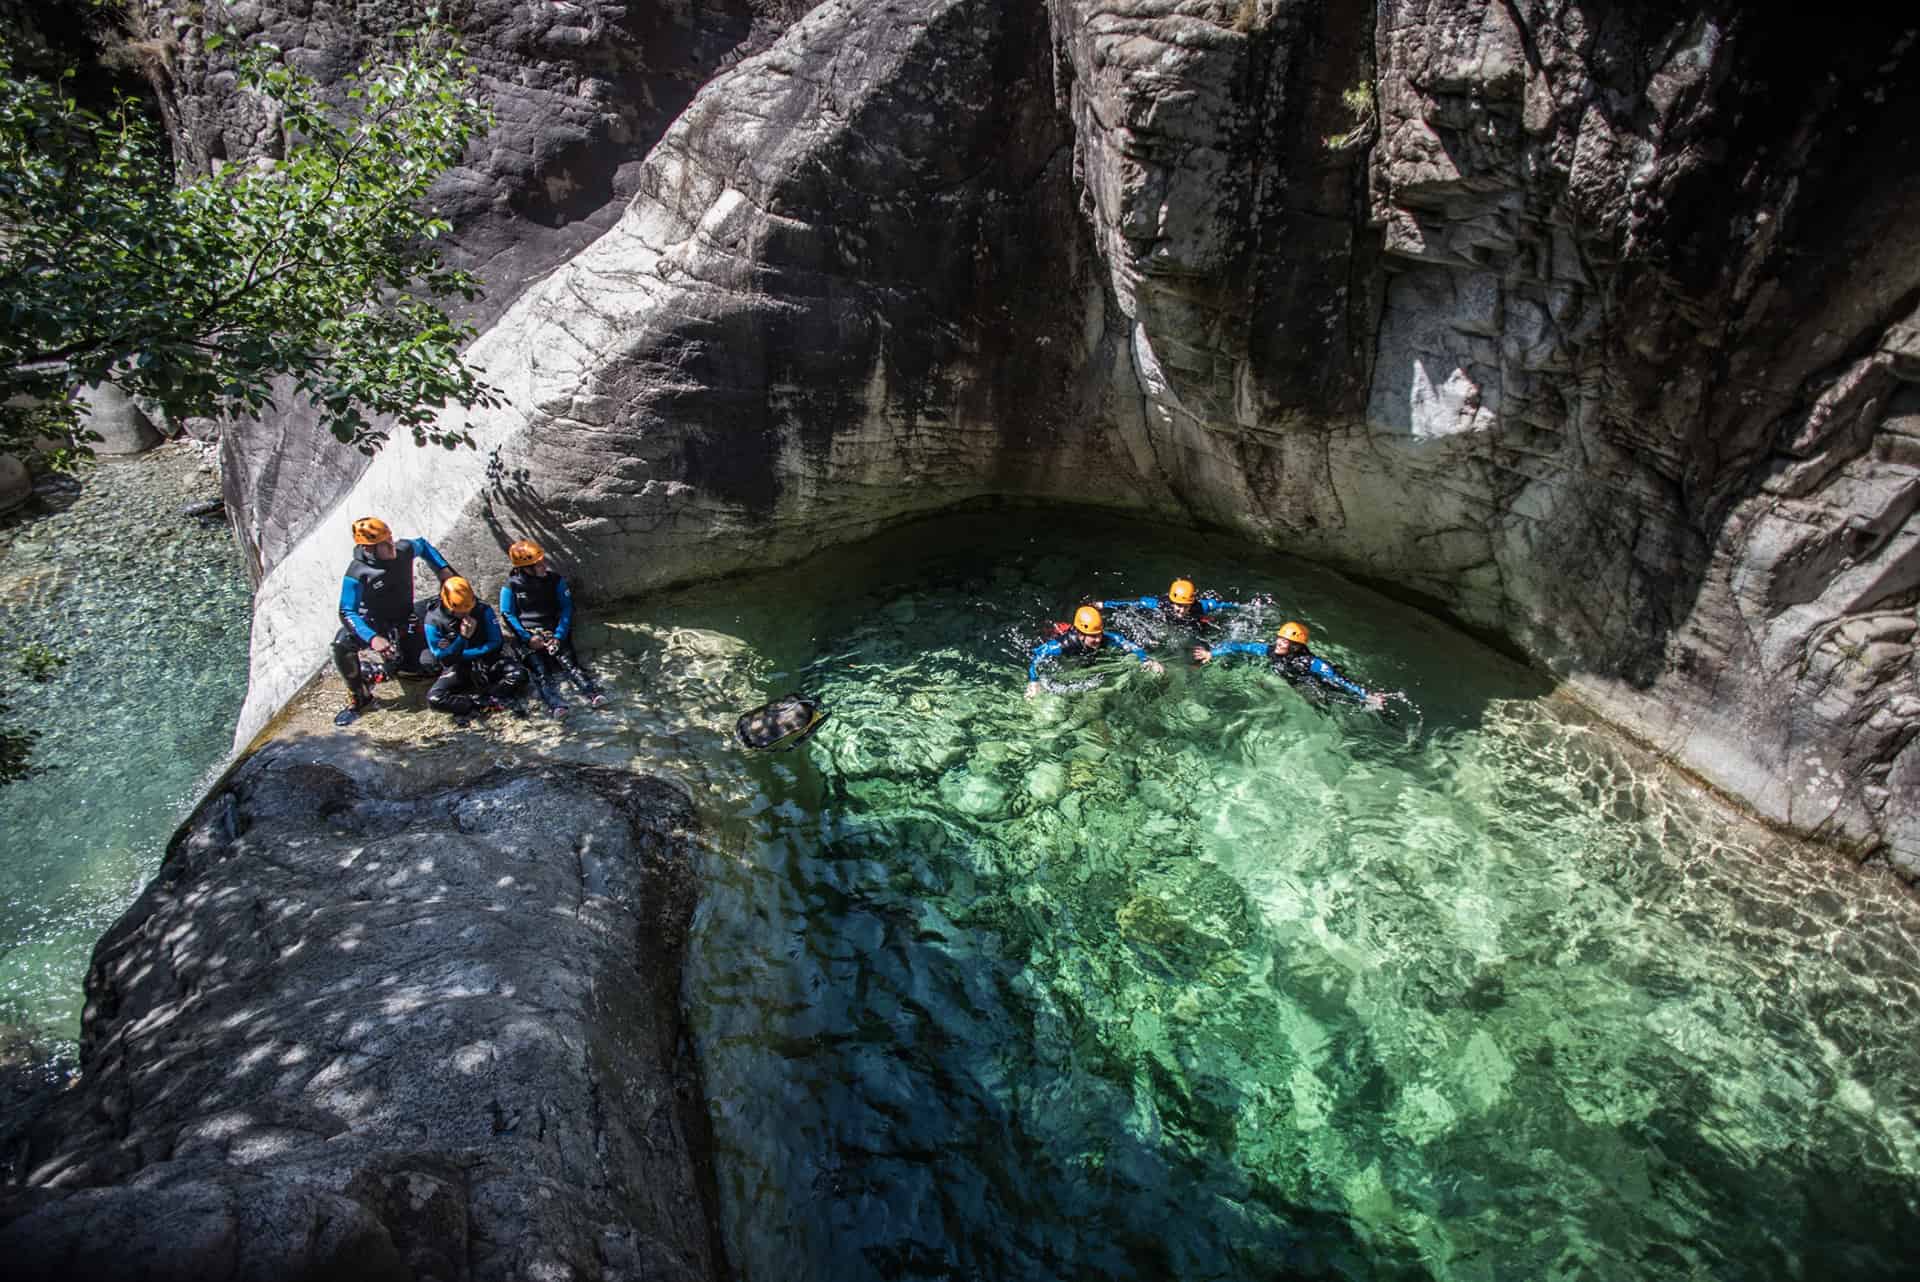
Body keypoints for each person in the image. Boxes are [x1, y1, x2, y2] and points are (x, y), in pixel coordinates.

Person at [332, 516, 460, 726]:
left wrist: (443, 570)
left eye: (390, 539)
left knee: (427, 668)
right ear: (369, 548)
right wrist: (373, 639)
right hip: (376, 623)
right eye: (385, 544)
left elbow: (423, 546)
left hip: (406, 617)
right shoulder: (358, 572)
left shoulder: (403, 550)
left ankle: (383, 669)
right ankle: (360, 696)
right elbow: (347, 611)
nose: (392, 546)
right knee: (341, 643)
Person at [498, 538, 608, 716]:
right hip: (529, 635)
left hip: (553, 631)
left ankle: (592, 693)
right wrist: (527, 638)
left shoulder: (555, 581)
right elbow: (507, 614)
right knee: (541, 673)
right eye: (538, 564)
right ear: (525, 568)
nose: (544, 565)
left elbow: (567, 607)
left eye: (542, 561)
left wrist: (559, 636)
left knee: (570, 664)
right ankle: (556, 705)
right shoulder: (511, 586)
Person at [1193, 620, 1387, 710]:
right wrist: (1212, 653)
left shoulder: (1311, 662)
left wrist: (1366, 694)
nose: (1279, 644)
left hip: (1313, 681)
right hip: (1295, 681)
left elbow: (1339, 680)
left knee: (1325, 702)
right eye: (1279, 639)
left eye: (1285, 642)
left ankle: (1375, 704)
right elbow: (1238, 646)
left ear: (1296, 646)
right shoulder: (1269, 650)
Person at [423, 576, 529, 719]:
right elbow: (444, 658)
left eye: (468, 609)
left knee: (519, 675)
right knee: (434, 699)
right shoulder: (433, 620)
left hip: (487, 658)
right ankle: (476, 702)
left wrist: (471, 654)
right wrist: (463, 638)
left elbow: (496, 641)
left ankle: (492, 696)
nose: (465, 614)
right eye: (460, 611)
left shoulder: (482, 609)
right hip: (458, 665)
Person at [1026, 605, 1164, 698]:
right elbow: (1037, 656)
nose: (1098, 639)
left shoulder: (1104, 638)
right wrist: (1033, 681)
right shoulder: (1061, 645)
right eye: (1093, 636)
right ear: (1080, 634)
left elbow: (1125, 643)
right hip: (1054, 637)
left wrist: (1146, 660)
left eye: (1099, 634)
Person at [1092, 578, 1252, 632]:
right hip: (1166, 621)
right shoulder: (1161, 605)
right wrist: (1104, 604)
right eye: (1177, 605)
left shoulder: (1201, 606)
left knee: (1204, 628)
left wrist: (1246, 608)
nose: (1180, 610)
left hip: (1195, 622)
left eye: (1184, 606)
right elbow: (1133, 603)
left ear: (1191, 603)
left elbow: (1224, 605)